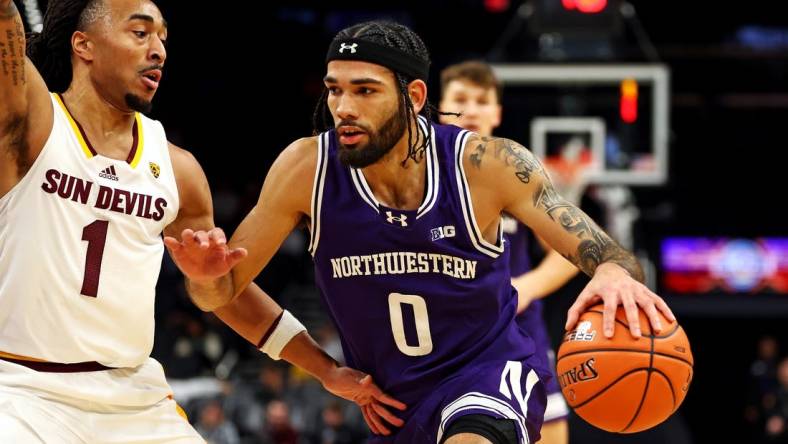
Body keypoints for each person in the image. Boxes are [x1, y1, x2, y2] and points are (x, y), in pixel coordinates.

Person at [165, 20, 674, 444]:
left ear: (413, 95)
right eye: (335, 89)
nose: (343, 107)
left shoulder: (485, 164)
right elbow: (223, 292)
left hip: (487, 374)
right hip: (391, 405)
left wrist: (613, 270)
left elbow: (600, 248)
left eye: (364, 90)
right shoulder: (306, 168)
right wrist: (320, 367)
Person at [0, 1, 399, 441]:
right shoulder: (31, 126)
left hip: (133, 397)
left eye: (163, 38)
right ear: (84, 44)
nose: (158, 51)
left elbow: (225, 294)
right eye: (140, 33)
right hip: (21, 389)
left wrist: (326, 370)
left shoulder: (179, 171)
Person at [438, 60, 579, 444]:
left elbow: (569, 253)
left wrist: (528, 287)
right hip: (447, 340)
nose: (471, 109)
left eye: (482, 101)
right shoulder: (418, 175)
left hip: (519, 335)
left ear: (497, 112)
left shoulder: (520, 172)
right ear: (439, 106)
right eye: (460, 99)